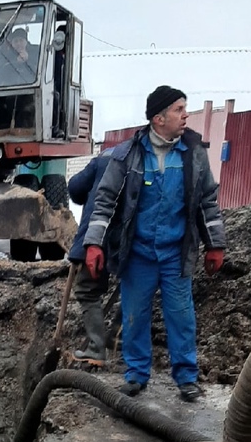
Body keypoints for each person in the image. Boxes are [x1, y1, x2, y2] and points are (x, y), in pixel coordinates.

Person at [82, 85, 225, 401]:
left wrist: (215, 244)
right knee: (134, 315)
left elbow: (207, 202)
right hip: (139, 254)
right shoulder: (128, 155)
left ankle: (187, 378)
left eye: (184, 108)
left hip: (175, 253)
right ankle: (135, 375)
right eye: (178, 109)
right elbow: (104, 201)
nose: (185, 115)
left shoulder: (194, 154)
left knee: (181, 315)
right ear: (159, 119)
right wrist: (94, 243)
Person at [67, 147, 116, 365]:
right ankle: (117, 337)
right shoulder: (147, 160)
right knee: (134, 291)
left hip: (99, 237)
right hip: (134, 239)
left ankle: (97, 348)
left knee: (86, 289)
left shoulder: (104, 159)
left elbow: (75, 187)